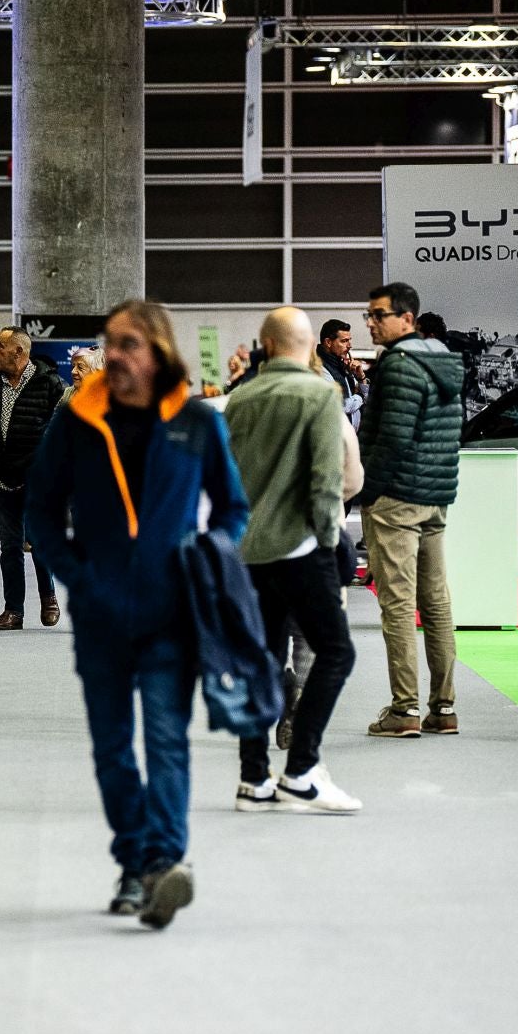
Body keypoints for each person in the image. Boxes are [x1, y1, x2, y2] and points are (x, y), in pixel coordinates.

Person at [28, 299, 248, 930]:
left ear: (158, 351)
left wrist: (210, 554)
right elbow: (41, 511)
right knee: (112, 750)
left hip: (173, 612)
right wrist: (77, 577)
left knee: (166, 741)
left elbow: (232, 507)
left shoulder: (197, 422)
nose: (114, 354)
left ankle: (162, 863)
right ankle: (133, 861)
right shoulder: (77, 418)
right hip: (100, 614)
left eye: (127, 344)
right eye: (109, 343)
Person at [223, 307, 362, 815]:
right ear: (309, 347)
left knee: (259, 661)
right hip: (302, 550)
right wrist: (331, 543)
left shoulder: (240, 399)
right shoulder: (321, 395)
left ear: (265, 343)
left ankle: (253, 779)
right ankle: (301, 769)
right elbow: (327, 482)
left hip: (247, 552)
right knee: (336, 652)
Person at [359, 281, 465, 739]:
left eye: (379, 314)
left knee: (399, 604)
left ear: (407, 319)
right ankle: (443, 708)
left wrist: (366, 488)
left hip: (397, 498)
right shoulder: (443, 360)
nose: (371, 323)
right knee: (436, 602)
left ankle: (404, 709)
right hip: (434, 496)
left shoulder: (400, 366)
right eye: (370, 315)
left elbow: (393, 439)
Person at [0, 326, 64, 630]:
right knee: (10, 546)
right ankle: (13, 611)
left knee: (38, 542)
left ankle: (48, 598)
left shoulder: (49, 384)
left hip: (36, 479)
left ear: (19, 352)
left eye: (0, 346)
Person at [318, 319, 366, 430]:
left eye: (349, 340)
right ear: (328, 342)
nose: (349, 346)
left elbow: (366, 394)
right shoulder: (319, 367)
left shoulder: (341, 364)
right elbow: (339, 405)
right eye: (344, 341)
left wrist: (361, 377)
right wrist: (360, 397)